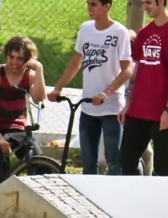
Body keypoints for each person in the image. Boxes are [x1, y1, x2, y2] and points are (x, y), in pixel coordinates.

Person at [47, 0, 133, 175]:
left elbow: (127, 70)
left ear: (107, 6)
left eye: (94, 4)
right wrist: (58, 88)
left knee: (113, 161)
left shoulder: (119, 32)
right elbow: (75, 62)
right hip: (88, 107)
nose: (89, 8)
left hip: (111, 108)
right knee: (88, 162)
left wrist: (106, 93)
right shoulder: (86, 29)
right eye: (88, 4)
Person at [118, 0, 168, 176]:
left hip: (162, 111)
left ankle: (165, 201)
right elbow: (138, 72)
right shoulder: (144, 33)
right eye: (143, 3)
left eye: (149, 3)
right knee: (126, 160)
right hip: (139, 109)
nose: (145, 7)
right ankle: (137, 197)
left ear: (162, 2)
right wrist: (128, 104)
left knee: (163, 165)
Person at [0, 35, 46, 190]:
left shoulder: (29, 76)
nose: (14, 62)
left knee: (38, 161)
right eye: (11, 57)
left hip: (17, 129)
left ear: (28, 60)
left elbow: (38, 98)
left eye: (20, 59)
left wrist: (39, 69)